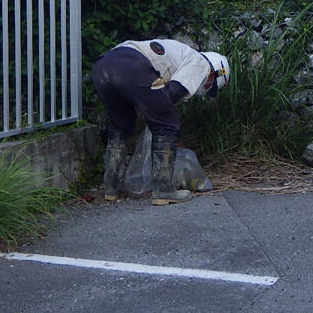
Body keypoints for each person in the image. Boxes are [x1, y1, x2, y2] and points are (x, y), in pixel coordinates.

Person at [91, 39, 229, 205]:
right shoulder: (201, 63)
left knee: (121, 124)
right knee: (167, 123)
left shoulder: (179, 53)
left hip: (102, 66)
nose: (204, 89)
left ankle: (111, 187)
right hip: (129, 66)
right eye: (209, 86)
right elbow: (172, 93)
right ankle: (163, 190)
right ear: (214, 74)